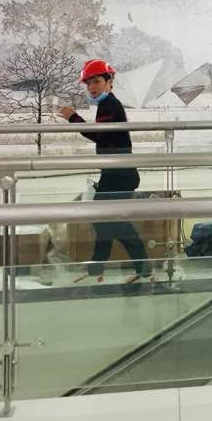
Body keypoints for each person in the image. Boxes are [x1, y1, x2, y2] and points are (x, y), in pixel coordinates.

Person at [59, 59, 152, 284]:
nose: (92, 87)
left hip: (119, 174)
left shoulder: (109, 104)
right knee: (104, 222)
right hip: (116, 173)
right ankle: (99, 269)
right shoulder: (108, 104)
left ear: (109, 82)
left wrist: (73, 118)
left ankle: (141, 269)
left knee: (113, 223)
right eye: (88, 83)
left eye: (97, 81)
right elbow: (103, 136)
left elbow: (100, 135)